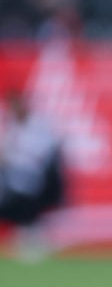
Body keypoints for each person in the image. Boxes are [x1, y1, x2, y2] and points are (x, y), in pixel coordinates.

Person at [0, 89, 66, 257]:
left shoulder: (39, 126)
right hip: (11, 177)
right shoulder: (11, 127)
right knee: (14, 205)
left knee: (28, 205)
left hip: (35, 176)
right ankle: (25, 236)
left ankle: (33, 239)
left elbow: (43, 151)